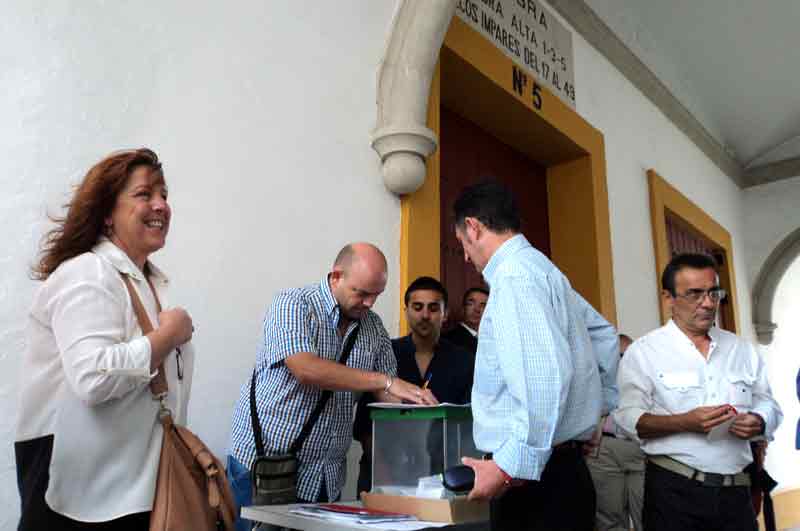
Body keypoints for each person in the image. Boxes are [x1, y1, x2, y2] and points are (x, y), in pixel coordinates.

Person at [15, 148, 195, 530]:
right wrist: (168, 336)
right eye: (144, 194)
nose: (161, 205)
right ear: (108, 214)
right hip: (79, 492)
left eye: (164, 194)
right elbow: (93, 378)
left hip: (124, 485)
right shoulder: (88, 273)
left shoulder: (145, 280)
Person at [226, 244, 436, 529]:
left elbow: (388, 393)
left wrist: (418, 405)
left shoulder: (373, 327)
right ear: (335, 276)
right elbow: (305, 368)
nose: (370, 303)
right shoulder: (293, 303)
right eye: (361, 293)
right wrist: (383, 380)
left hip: (324, 476)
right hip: (264, 467)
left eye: (377, 295)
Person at [454, 181, 602, 531]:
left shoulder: (514, 277)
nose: (464, 256)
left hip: (535, 484)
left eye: (462, 243)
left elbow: (543, 379)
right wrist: (594, 413)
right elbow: (603, 335)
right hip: (562, 468)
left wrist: (507, 467)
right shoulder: (544, 270)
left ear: (473, 227)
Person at [614, 253, 783, 531]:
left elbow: (769, 404)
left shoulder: (741, 349)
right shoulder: (644, 352)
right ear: (668, 298)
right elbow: (627, 420)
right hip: (674, 494)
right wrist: (684, 422)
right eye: (694, 294)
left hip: (736, 493)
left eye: (713, 293)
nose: (707, 303)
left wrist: (760, 421)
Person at [353, 276, 474, 495]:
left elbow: (466, 425)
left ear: (445, 314)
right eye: (417, 307)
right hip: (382, 474)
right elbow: (364, 423)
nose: (425, 315)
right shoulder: (385, 353)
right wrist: (385, 473)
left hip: (442, 477)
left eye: (433, 308)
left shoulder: (464, 361)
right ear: (406, 310)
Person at [587, 333, 646, 531]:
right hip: (603, 449)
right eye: (617, 356)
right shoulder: (594, 378)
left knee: (648, 516)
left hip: (640, 450)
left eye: (626, 356)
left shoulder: (645, 379)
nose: (622, 362)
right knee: (607, 519)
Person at [443, 287, 489, 355]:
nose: (477, 309)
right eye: (471, 304)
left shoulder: (494, 339)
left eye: (483, 305)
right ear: (463, 308)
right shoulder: (447, 340)